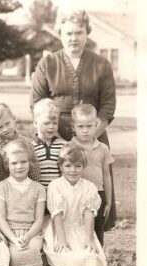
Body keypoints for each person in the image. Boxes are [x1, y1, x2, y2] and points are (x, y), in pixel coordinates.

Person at [31, 8, 117, 228]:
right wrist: (61, 140)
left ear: (87, 33)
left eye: (79, 32)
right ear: (60, 33)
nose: (73, 38)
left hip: (93, 134)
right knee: (57, 199)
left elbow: (108, 107)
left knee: (93, 197)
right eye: (68, 33)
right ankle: (55, 255)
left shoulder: (101, 64)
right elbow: (36, 103)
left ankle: (93, 250)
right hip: (54, 136)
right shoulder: (48, 63)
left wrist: (87, 139)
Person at [42, 144, 107, 266]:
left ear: (83, 166)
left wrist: (88, 238)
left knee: (90, 254)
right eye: (68, 166)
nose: (73, 170)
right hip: (60, 228)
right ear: (61, 166)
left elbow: (88, 214)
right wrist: (62, 239)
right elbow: (57, 214)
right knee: (62, 253)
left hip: (82, 228)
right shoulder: (55, 186)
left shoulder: (89, 187)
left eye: (77, 166)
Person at [0, 141, 46, 266]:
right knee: (15, 253)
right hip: (10, 231)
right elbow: (1, 219)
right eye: (14, 163)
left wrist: (28, 237)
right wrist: (14, 239)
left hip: (32, 231)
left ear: (29, 162)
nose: (19, 166)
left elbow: (39, 219)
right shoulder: (1, 187)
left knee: (33, 250)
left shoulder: (38, 188)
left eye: (23, 162)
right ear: (6, 165)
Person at [66, 104, 113, 245]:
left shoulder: (103, 148)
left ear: (96, 125)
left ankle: (97, 263)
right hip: (76, 195)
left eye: (89, 126)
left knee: (97, 234)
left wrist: (109, 201)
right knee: (77, 232)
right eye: (80, 126)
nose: (85, 131)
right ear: (73, 126)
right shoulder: (69, 147)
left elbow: (106, 176)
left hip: (98, 194)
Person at [0, 102, 40, 182]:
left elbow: (34, 170)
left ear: (14, 119)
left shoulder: (26, 143)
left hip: (22, 186)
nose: (5, 129)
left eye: (7, 123)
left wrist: (35, 185)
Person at [31, 98, 67, 188]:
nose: (51, 127)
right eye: (46, 123)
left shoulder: (62, 145)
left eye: (54, 123)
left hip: (57, 192)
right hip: (38, 193)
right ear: (35, 123)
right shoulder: (30, 146)